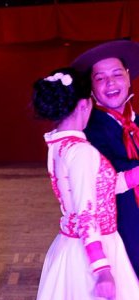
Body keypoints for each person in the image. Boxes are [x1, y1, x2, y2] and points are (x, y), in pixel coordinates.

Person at [0, 67, 139, 300]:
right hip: (95, 251)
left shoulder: (59, 144)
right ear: (85, 104)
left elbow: (104, 188)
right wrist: (103, 270)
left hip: (72, 250)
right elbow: (87, 214)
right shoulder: (82, 151)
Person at [72, 40, 139, 278]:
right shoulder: (88, 132)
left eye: (117, 74)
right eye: (100, 78)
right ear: (91, 86)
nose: (110, 83)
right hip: (120, 227)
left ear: (128, 77)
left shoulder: (136, 122)